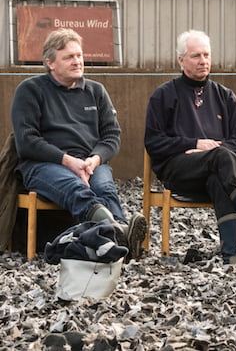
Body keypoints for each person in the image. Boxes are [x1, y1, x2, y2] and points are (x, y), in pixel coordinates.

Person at [145, 30, 236, 263]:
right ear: (181, 60)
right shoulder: (164, 95)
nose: (203, 61)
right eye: (196, 55)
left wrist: (212, 152)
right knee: (221, 158)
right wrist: (194, 144)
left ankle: (231, 257)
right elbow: (154, 141)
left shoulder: (224, 95)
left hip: (218, 172)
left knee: (220, 174)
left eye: (206, 55)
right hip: (178, 172)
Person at [11, 29, 147, 259]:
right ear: (50, 63)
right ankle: (120, 236)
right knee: (77, 189)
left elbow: (112, 136)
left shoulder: (96, 91)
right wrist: (68, 161)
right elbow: (27, 141)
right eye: (68, 57)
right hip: (44, 165)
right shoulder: (30, 90)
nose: (77, 61)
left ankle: (117, 238)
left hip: (90, 162)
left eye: (79, 55)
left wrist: (94, 160)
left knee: (104, 188)